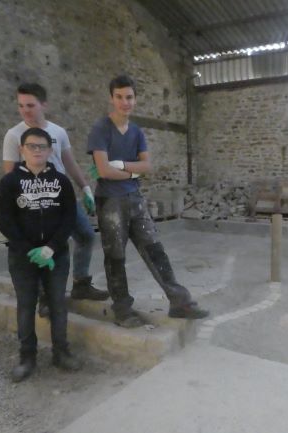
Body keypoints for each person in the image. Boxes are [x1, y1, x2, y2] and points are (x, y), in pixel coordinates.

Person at [87, 75, 209, 328]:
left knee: (154, 249)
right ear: (111, 99)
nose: (125, 102)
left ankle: (179, 301)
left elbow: (147, 166)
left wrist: (121, 166)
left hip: (134, 198)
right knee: (115, 256)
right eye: (119, 97)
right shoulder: (101, 128)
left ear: (135, 99)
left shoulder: (137, 132)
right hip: (110, 200)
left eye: (129, 97)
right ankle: (122, 309)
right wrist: (132, 171)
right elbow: (103, 170)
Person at [3, 83, 109, 317]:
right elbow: (10, 175)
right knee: (43, 246)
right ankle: (45, 297)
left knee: (86, 235)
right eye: (21, 105)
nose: (25, 110)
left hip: (63, 197)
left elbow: (68, 162)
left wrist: (85, 188)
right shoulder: (13, 136)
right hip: (35, 202)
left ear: (44, 105)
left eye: (30, 105)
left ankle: (81, 283)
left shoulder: (58, 132)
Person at [0, 127, 81, 382]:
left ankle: (61, 352)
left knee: (57, 304)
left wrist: (51, 247)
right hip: (22, 257)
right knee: (25, 306)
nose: (37, 151)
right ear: (21, 149)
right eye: (31, 146)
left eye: (42, 146)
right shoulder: (10, 182)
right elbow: (4, 219)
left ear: (50, 151)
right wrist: (27, 248)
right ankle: (27, 357)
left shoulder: (62, 181)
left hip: (56, 255)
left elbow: (69, 217)